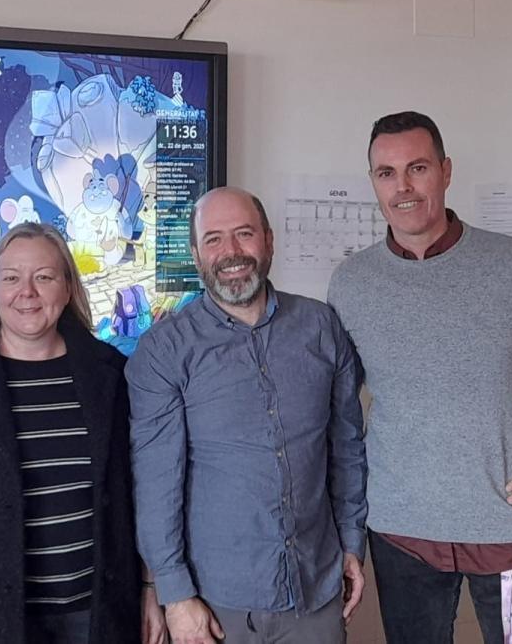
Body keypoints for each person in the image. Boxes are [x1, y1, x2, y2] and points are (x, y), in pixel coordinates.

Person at [327, 111, 512, 642]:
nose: (403, 187)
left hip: (509, 527)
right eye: (386, 173)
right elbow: (337, 407)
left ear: (445, 171)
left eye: (417, 168)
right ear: (373, 181)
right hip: (400, 532)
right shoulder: (351, 283)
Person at [126, 187, 367, 644]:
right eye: (213, 239)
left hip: (316, 592)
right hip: (216, 606)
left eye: (244, 234)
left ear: (269, 240)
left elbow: (347, 447)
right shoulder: (163, 350)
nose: (231, 252)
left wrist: (352, 542)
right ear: (196, 253)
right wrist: (175, 596)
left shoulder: (321, 326)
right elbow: (155, 483)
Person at [0, 222, 163, 644]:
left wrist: (150, 588)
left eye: (44, 277)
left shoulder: (113, 375)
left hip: (98, 613)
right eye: (11, 278)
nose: (26, 292)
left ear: (68, 287)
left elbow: (139, 491)